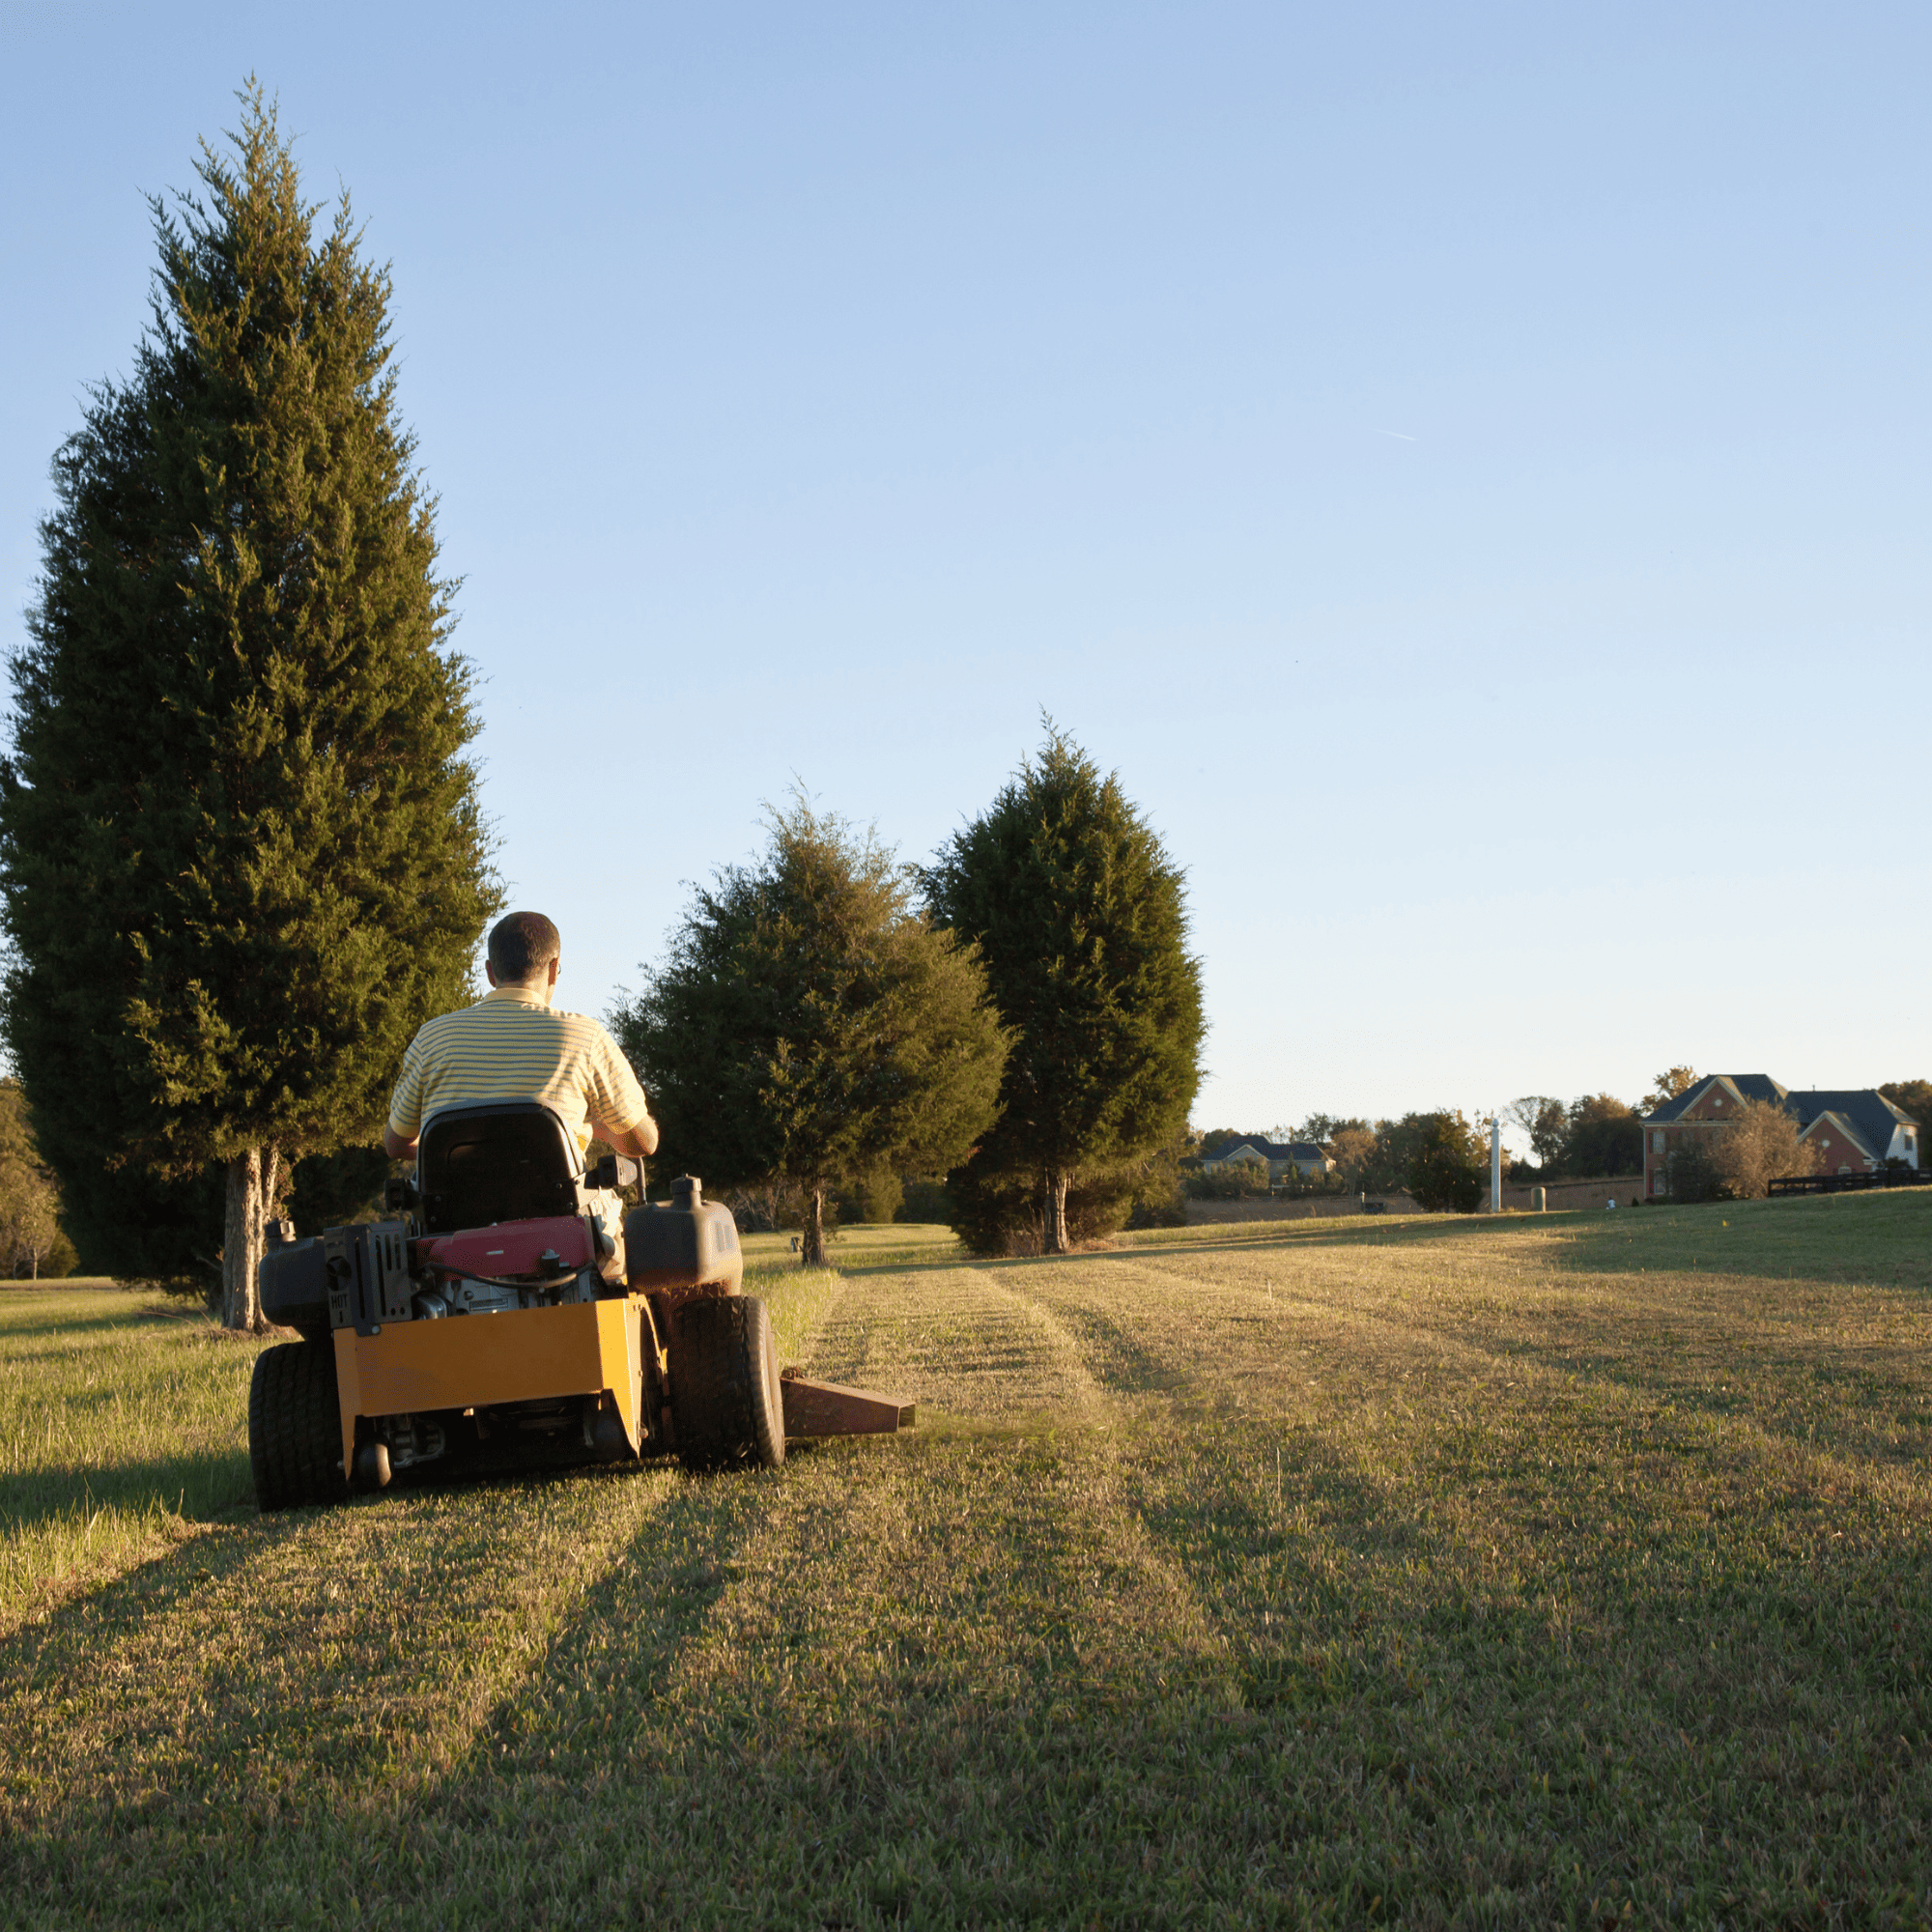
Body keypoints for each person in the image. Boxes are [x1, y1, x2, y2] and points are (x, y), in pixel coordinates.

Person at [384, 911, 659, 1275]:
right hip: (564, 1232)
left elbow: (396, 1144)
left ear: (490, 972)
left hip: (454, 1236)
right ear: (554, 967)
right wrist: (600, 1130)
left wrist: (452, 1153)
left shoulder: (431, 1039)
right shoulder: (585, 1038)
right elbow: (643, 1142)